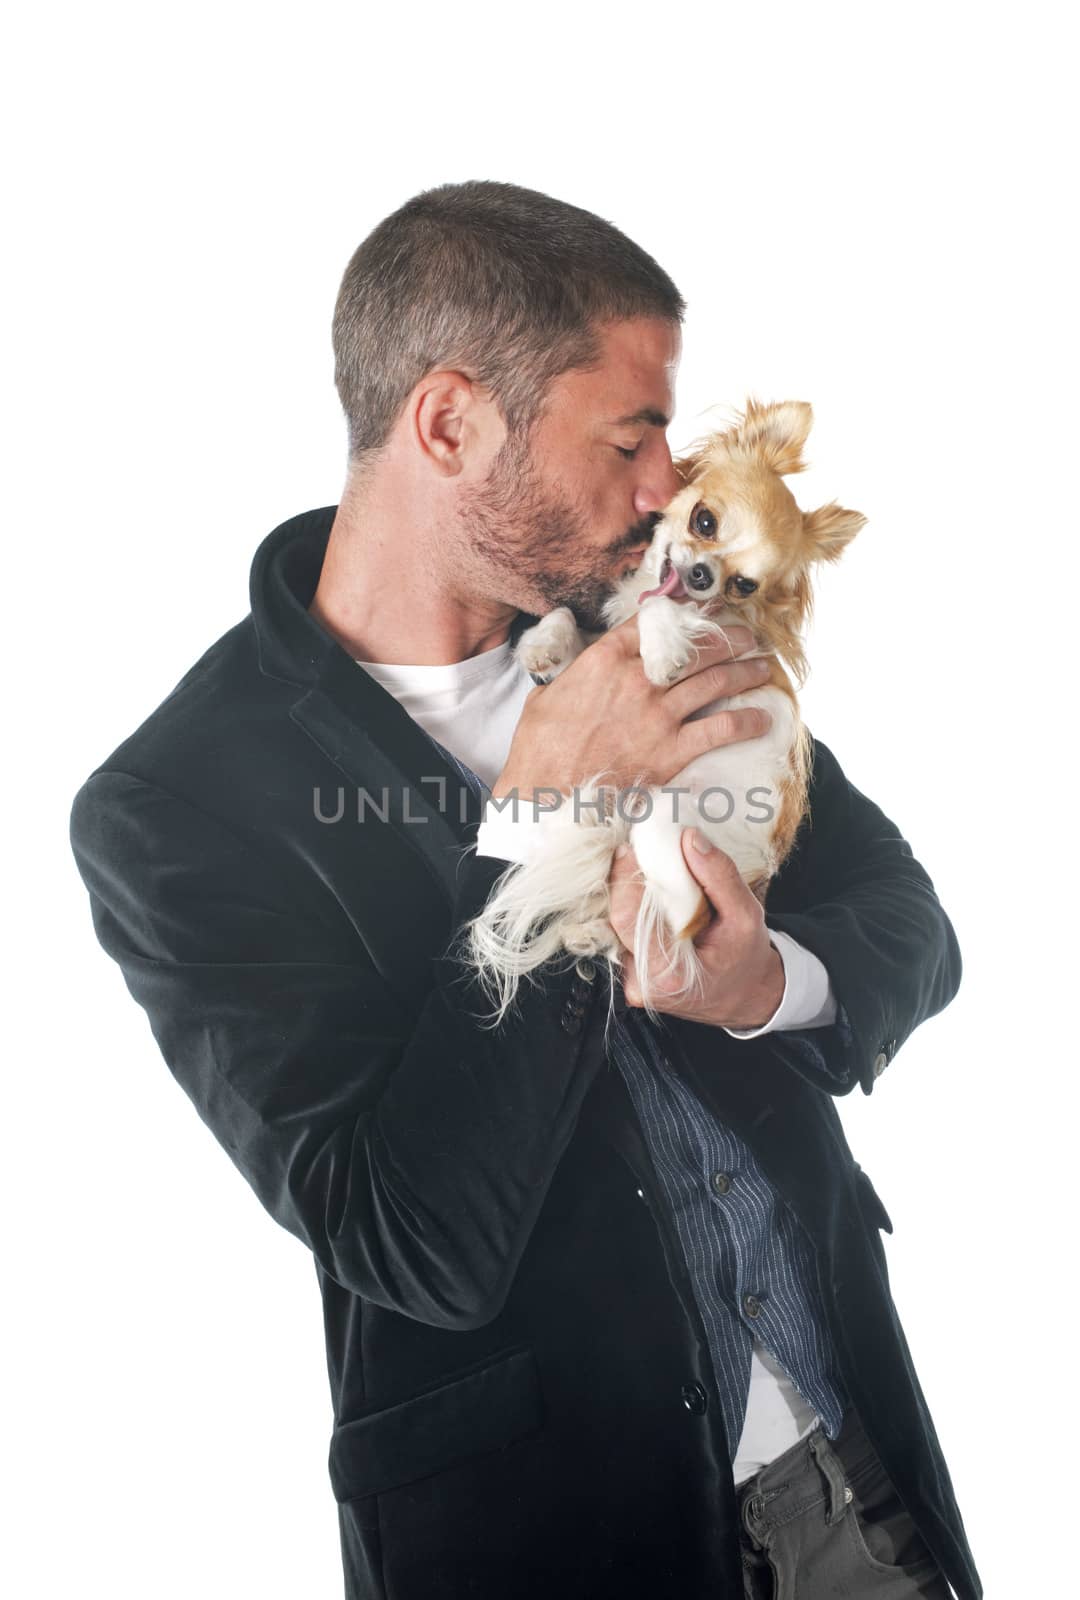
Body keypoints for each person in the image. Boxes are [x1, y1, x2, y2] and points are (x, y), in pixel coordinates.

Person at [69, 180, 982, 1600]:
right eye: (630, 436)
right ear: (449, 423)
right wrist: (547, 815)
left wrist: (769, 988)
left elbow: (903, 915)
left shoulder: (656, 624)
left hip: (853, 1478)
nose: (665, 486)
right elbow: (407, 1236)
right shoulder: (178, 807)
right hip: (553, 1538)